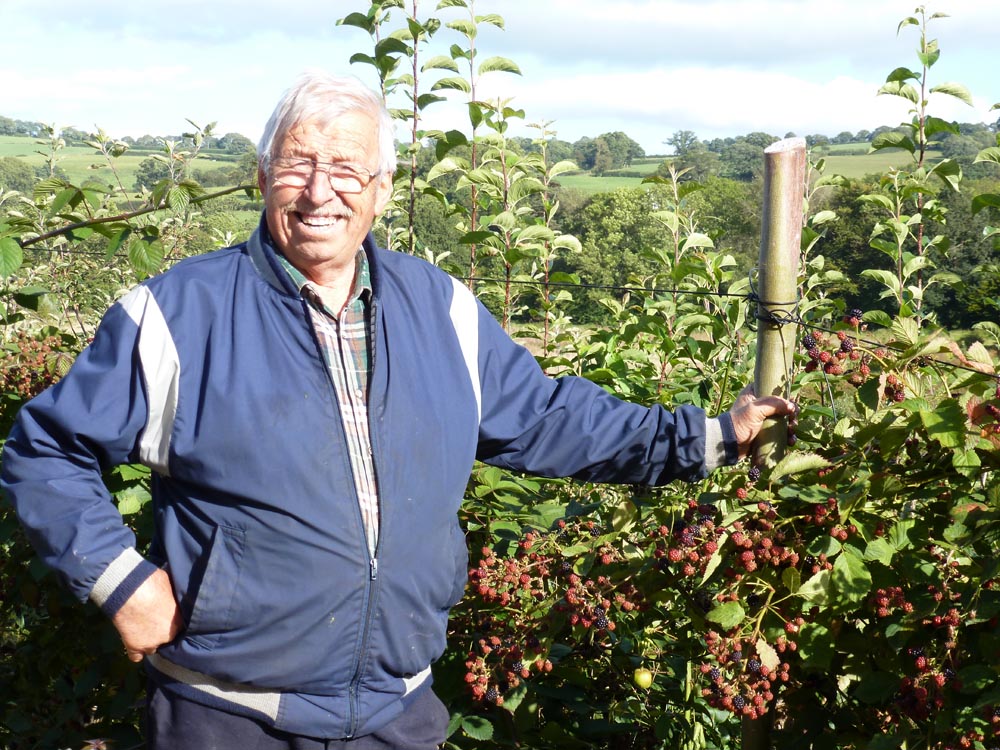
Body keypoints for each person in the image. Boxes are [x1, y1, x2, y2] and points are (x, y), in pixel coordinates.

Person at [0, 71, 796, 749]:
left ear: (382, 189)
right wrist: (121, 583)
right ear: (262, 176)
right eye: (298, 164)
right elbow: (45, 449)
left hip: (396, 714)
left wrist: (709, 437)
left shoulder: (439, 309)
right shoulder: (178, 315)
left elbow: (546, 417)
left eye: (348, 169)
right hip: (226, 716)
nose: (321, 191)